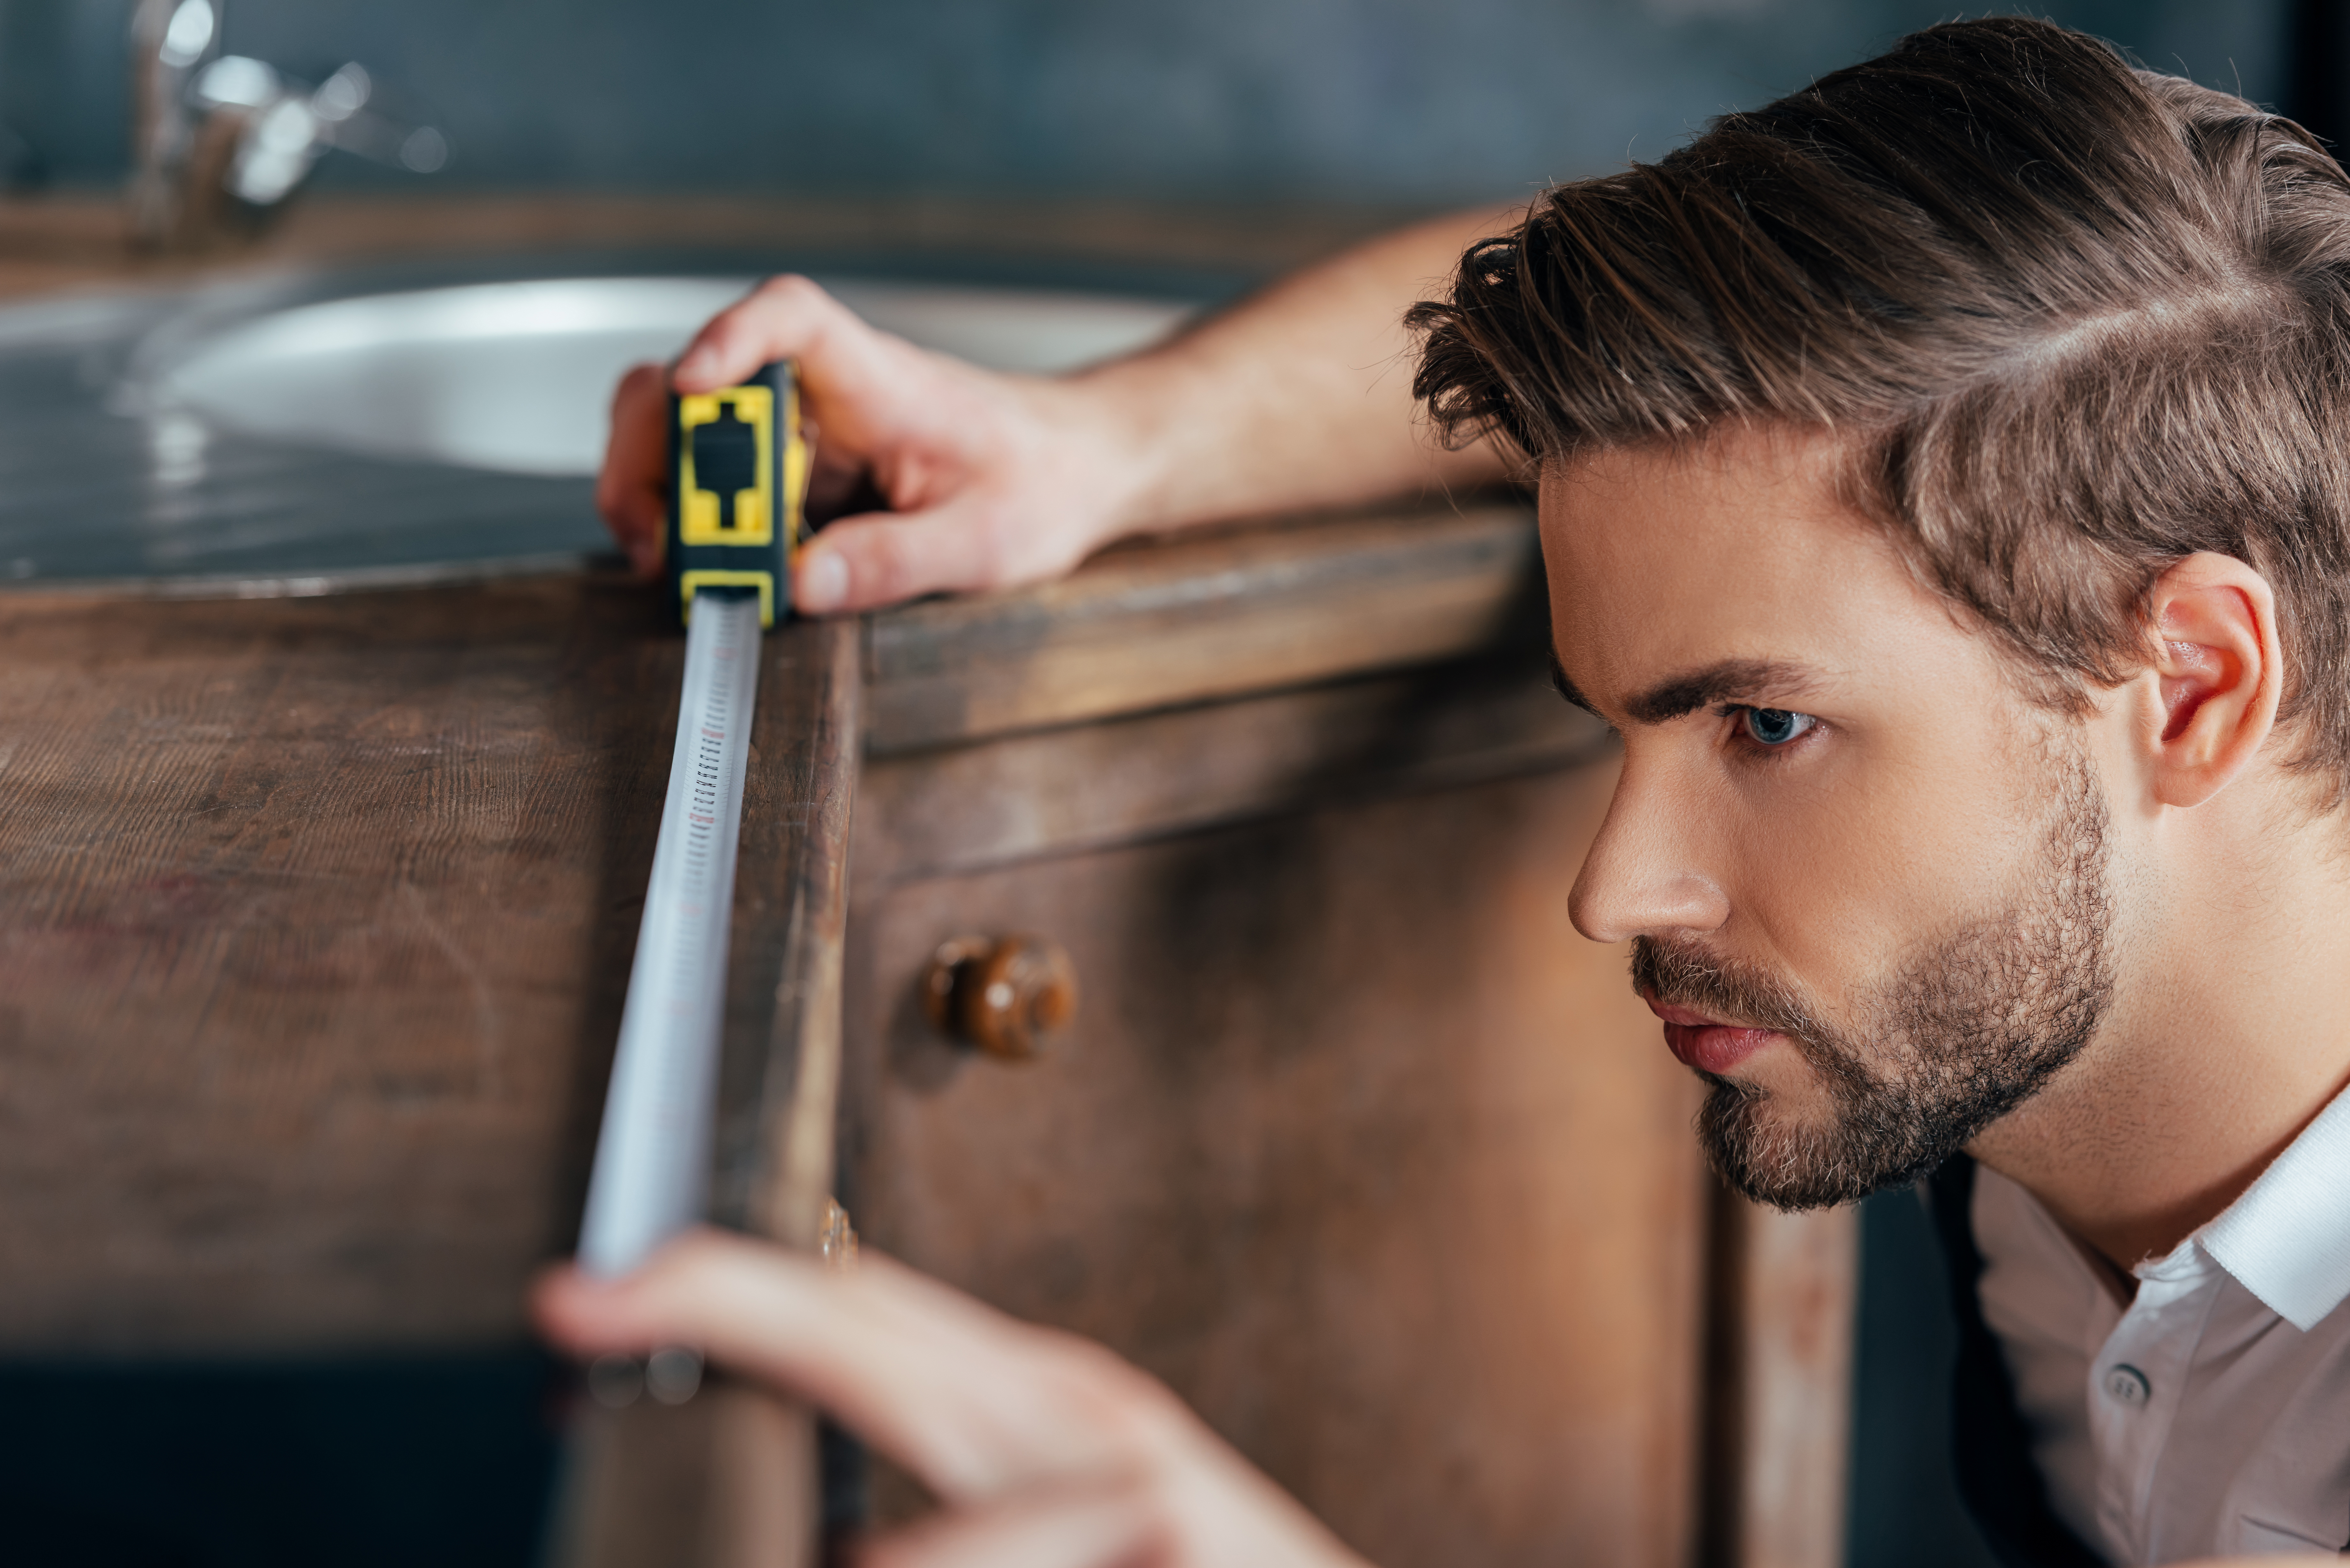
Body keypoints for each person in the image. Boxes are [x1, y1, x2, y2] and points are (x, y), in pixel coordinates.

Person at [547, 17, 2350, 1567]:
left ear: (2192, 683)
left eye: (1764, 730)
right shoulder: (2068, 987)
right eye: (1623, 730)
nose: (1619, 889)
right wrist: (1110, 444)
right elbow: (1678, 394)